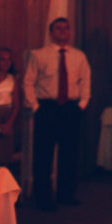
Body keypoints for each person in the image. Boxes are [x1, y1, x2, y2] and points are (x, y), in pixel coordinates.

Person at [24, 17, 91, 211]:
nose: (63, 32)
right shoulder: (39, 55)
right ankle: (43, 198)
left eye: (66, 28)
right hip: (47, 107)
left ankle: (66, 194)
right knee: (43, 154)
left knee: (70, 152)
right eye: (59, 28)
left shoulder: (79, 56)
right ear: (51, 32)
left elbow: (85, 80)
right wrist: (35, 106)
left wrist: (83, 103)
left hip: (71, 107)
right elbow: (28, 82)